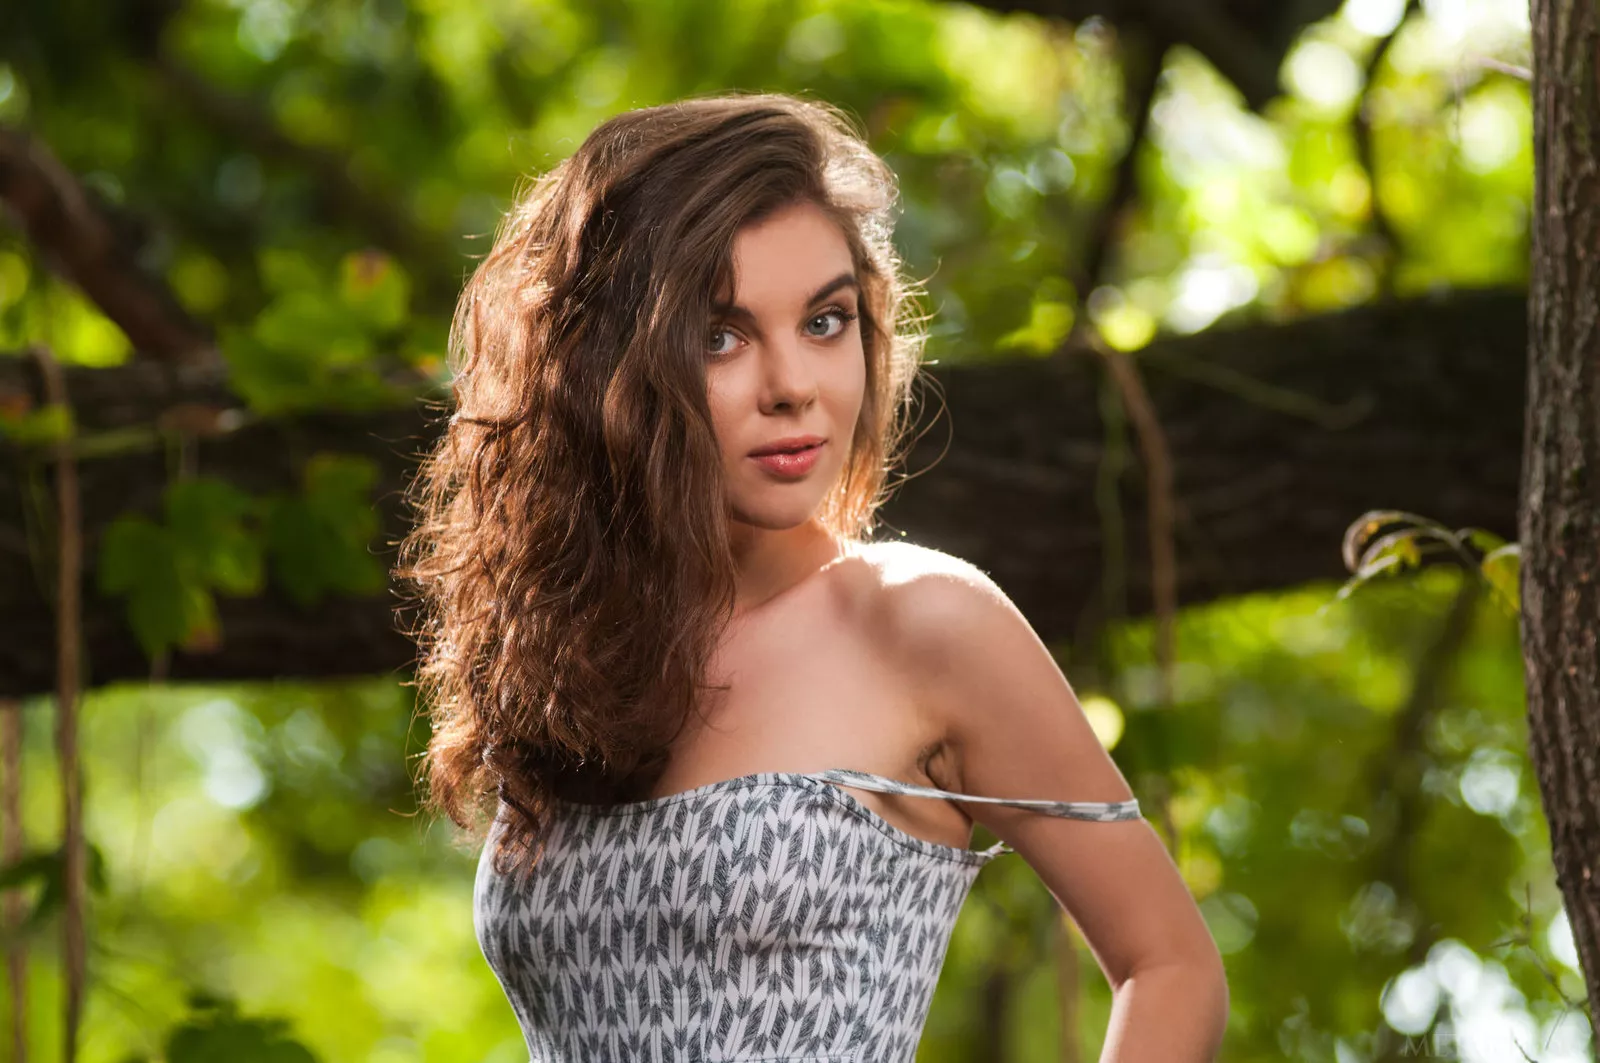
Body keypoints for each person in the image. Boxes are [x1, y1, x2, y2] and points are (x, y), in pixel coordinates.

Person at [396, 91, 1228, 1062]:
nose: (792, 384)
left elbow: (1171, 966)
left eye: (826, 321)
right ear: (604, 367)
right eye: (721, 335)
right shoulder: (565, 657)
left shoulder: (923, 623)